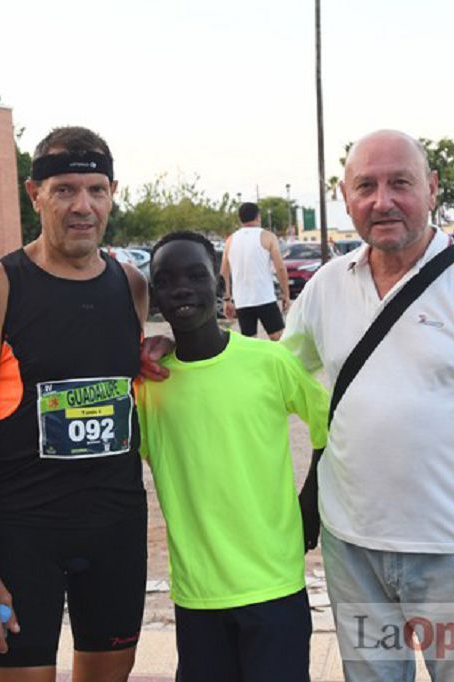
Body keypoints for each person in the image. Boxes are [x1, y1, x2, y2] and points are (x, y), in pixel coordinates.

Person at [282, 130, 454, 681]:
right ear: (345, 195)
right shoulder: (327, 286)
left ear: (430, 189)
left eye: (399, 183)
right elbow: (271, 374)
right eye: (366, 186)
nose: (383, 201)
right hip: (351, 549)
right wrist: (179, 353)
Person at [0, 126, 149, 681]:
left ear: (112, 192)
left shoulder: (130, 285)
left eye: (96, 190)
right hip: (22, 537)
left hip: (115, 531)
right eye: (64, 190)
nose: (83, 206)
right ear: (34, 194)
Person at [139, 231, 329, 681]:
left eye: (195, 275)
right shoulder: (148, 386)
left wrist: (311, 500)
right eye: (165, 281)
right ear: (155, 298)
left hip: (275, 586)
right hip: (198, 594)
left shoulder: (268, 362)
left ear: (220, 287)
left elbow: (330, 427)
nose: (181, 288)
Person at [220, 202, 291, 340]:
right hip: (264, 297)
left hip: (242, 300)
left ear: (240, 219)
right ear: (258, 217)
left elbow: (224, 273)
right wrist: (285, 294)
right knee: (278, 338)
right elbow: (280, 268)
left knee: (250, 341)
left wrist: (227, 299)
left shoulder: (230, 241)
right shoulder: (268, 236)